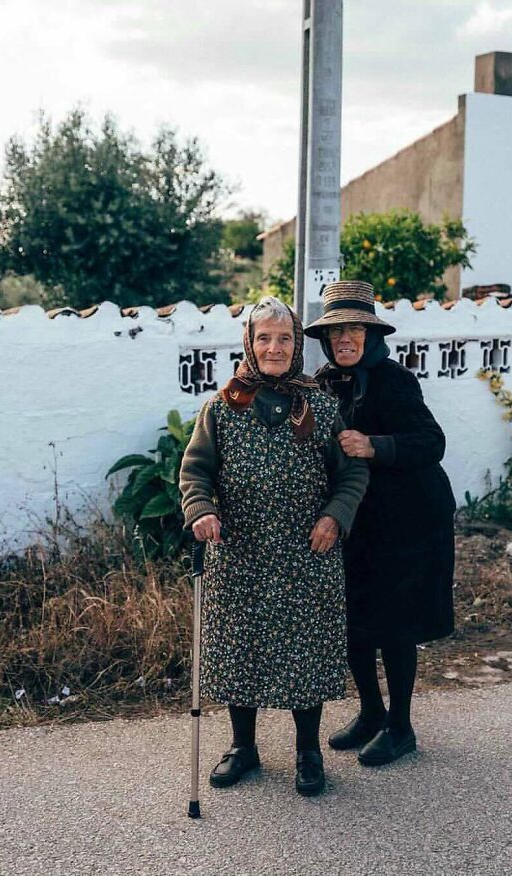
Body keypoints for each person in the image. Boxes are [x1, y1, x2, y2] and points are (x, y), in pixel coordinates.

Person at [179, 296, 368, 796]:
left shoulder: (319, 406)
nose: (274, 348)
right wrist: (201, 509)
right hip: (239, 552)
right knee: (239, 649)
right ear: (249, 343)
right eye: (264, 337)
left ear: (297, 344)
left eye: (284, 338)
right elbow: (195, 471)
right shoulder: (222, 406)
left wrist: (334, 516)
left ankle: (308, 752)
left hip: (308, 552)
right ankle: (243, 747)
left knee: (305, 650)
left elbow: (352, 474)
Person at [304, 280, 456, 766]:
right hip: (358, 521)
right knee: (354, 619)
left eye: (354, 329)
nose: (345, 338)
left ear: (370, 335)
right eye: (336, 331)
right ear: (326, 338)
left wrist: (375, 445)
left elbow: (432, 442)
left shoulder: (394, 380)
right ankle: (371, 711)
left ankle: (400, 726)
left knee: (395, 624)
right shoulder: (324, 382)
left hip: (410, 521)